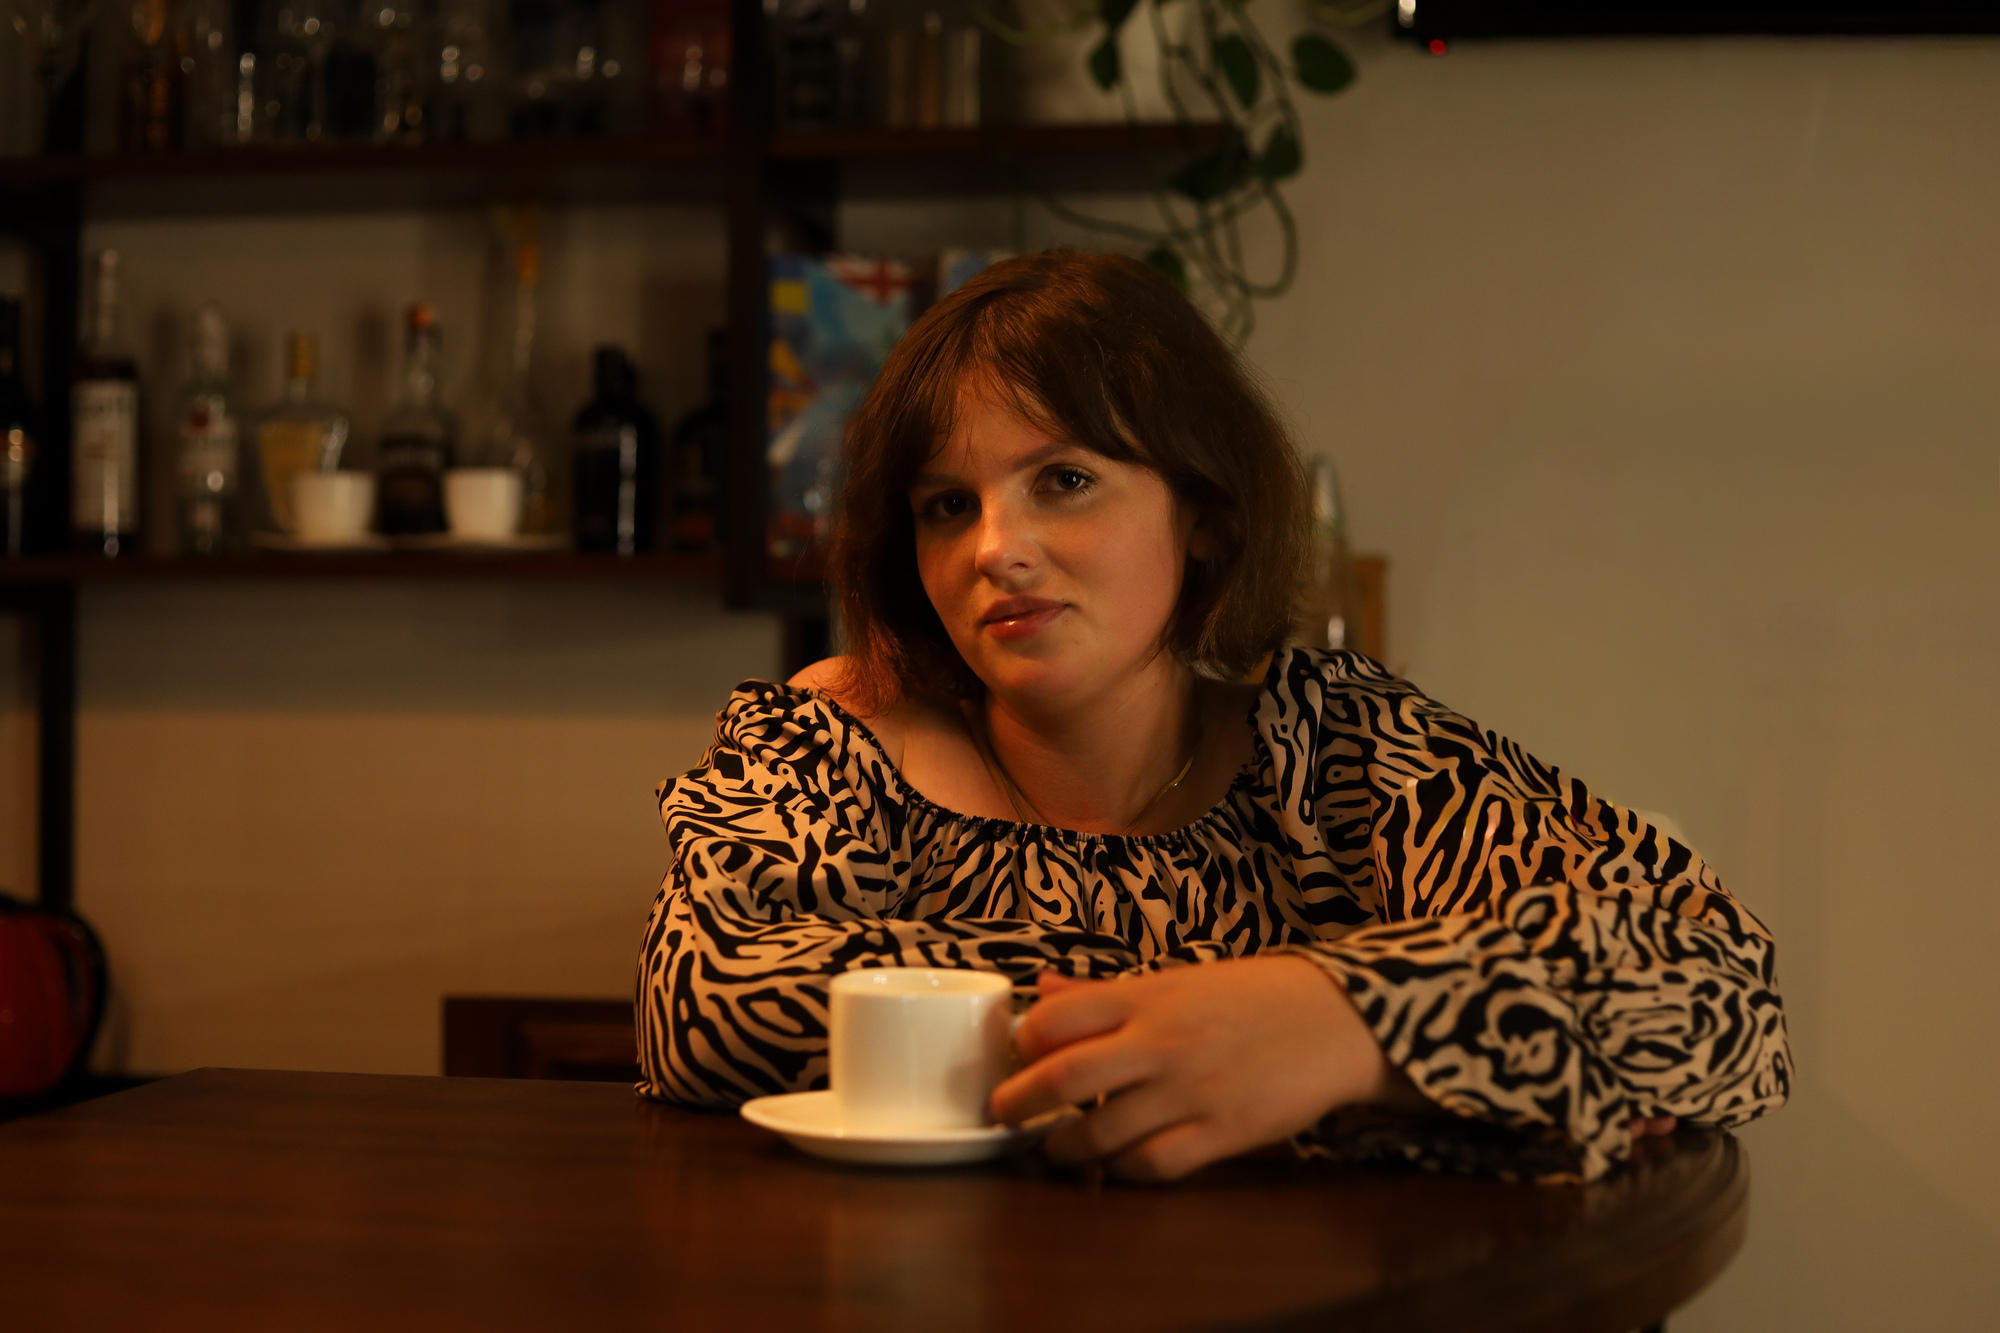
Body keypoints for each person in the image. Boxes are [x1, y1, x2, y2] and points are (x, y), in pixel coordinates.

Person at [635, 249, 1791, 1184]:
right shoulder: (835, 736)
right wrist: (1316, 1037)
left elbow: (1714, 978)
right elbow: (709, 1003)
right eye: (946, 504)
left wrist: (1341, 1023)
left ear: (1200, 513)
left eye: (1062, 480)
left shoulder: (1340, 748)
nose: (995, 548)